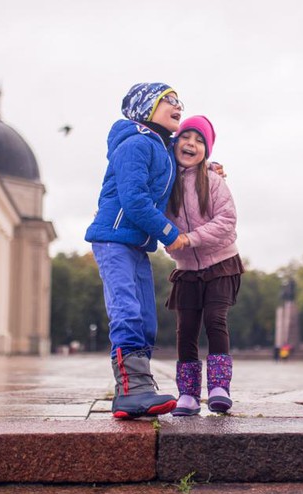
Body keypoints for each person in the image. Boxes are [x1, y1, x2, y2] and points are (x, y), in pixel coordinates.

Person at [85, 82, 187, 419]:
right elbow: (135, 199)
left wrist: (209, 169)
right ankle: (132, 391)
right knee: (126, 309)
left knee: (145, 315)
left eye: (179, 100)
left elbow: (182, 166)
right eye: (168, 100)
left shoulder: (161, 147)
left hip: (135, 243)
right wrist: (169, 233)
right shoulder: (137, 143)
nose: (178, 105)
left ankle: (137, 390)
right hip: (114, 238)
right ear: (146, 108)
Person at [164, 115, 244, 416]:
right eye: (186, 137)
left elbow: (227, 222)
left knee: (215, 319)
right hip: (187, 270)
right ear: (175, 143)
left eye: (199, 141)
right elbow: (154, 216)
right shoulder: (166, 183)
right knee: (185, 331)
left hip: (221, 263)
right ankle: (187, 394)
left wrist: (189, 238)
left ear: (206, 151)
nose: (191, 144)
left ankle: (219, 388)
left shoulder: (213, 181)